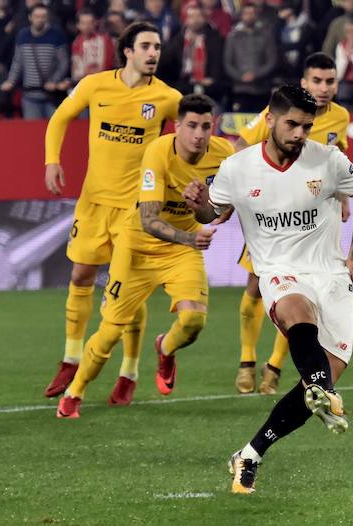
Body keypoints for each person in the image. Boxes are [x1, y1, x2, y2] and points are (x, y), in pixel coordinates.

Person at [182, 85, 353, 494]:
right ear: (270, 119)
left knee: (325, 373)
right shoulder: (238, 168)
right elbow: (212, 212)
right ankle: (321, 387)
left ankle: (249, 455)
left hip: (330, 274)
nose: (300, 133)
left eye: (307, 126)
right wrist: (196, 203)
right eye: (292, 124)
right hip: (278, 272)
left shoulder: (328, 161)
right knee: (295, 314)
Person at [56, 94, 233, 418]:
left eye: (206, 126)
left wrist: (203, 207)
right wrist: (190, 236)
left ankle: (165, 348)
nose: (199, 134)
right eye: (192, 125)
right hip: (137, 245)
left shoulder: (224, 156)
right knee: (110, 331)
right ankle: (74, 392)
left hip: (181, 250)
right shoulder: (158, 152)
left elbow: (218, 213)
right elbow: (148, 219)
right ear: (177, 126)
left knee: (194, 320)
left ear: (213, 127)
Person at [42, 22, 182, 404]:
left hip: (137, 211)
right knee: (81, 273)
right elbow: (59, 118)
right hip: (94, 202)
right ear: (128, 51)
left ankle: (129, 372)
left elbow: (190, 137)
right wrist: (51, 161)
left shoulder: (168, 98)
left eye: (157, 46)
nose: (154, 53)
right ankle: (71, 357)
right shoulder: (94, 85)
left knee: (126, 293)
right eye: (147, 46)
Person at [233, 52, 351, 396]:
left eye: (330, 81)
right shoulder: (282, 112)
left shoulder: (341, 117)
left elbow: (339, 155)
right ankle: (246, 360)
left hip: (313, 224)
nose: (323, 88)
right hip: (273, 217)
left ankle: (273, 368)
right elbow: (241, 144)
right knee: (256, 286)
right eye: (317, 81)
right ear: (304, 83)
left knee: (303, 296)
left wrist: (343, 195)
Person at [0, 4, 70, 119]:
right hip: (29, 95)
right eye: (37, 16)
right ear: (30, 17)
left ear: (48, 18)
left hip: (51, 95)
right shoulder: (23, 36)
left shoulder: (57, 35)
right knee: (33, 131)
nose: (40, 19)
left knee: (51, 130)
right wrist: (11, 80)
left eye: (43, 16)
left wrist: (54, 81)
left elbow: (64, 62)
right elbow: (18, 62)